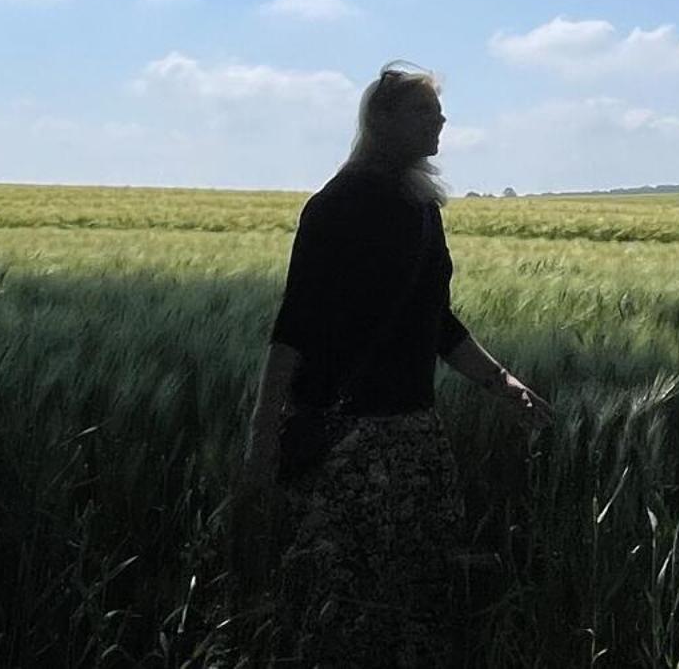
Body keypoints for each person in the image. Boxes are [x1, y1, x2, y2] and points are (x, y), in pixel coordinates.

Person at [235, 60, 552, 668]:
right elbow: (292, 328)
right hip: (347, 441)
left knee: (417, 599)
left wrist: (500, 383)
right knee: (348, 607)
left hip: (414, 435)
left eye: (439, 112)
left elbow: (435, 321)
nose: (441, 122)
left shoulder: (421, 208)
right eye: (424, 111)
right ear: (383, 121)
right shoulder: (336, 207)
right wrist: (262, 438)